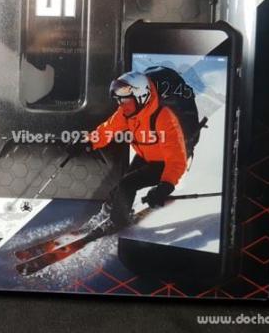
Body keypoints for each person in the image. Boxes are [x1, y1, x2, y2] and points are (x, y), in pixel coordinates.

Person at [69, 71, 189, 234]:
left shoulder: (164, 117)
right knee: (120, 187)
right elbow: (107, 130)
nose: (122, 105)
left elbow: (177, 158)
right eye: (119, 100)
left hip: (163, 164)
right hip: (144, 157)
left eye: (126, 100)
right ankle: (105, 214)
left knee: (127, 184)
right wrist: (87, 141)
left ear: (142, 96)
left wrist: (166, 185)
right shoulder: (127, 113)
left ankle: (118, 222)